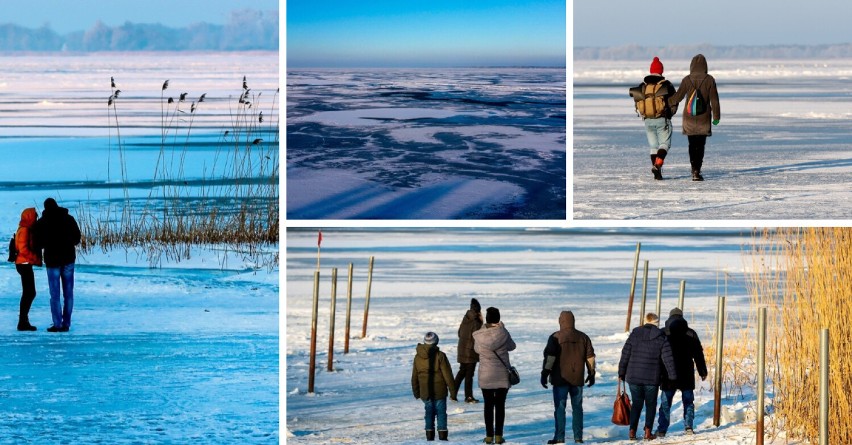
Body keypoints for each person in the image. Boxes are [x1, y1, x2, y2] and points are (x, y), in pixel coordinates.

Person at [618, 312, 678, 440]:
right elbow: (668, 359)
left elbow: (625, 354)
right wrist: (672, 377)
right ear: (656, 322)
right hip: (652, 378)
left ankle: (632, 431)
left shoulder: (634, 335)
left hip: (634, 377)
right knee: (651, 404)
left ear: (645, 321)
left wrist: (621, 372)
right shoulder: (661, 337)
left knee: (636, 404)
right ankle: (647, 432)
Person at [541, 310, 596, 444]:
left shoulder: (556, 337)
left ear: (561, 321)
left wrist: (545, 374)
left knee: (560, 408)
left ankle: (559, 437)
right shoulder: (583, 337)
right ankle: (578, 437)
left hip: (560, 378)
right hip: (577, 378)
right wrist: (591, 373)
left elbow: (550, 358)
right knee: (577, 408)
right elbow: (590, 357)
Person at [655, 308, 708, 437]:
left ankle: (662, 429)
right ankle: (689, 426)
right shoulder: (691, 333)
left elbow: (656, 354)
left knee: (665, 403)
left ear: (669, 318)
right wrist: (702, 371)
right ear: (682, 317)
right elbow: (698, 355)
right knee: (688, 402)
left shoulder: (663, 332)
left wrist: (655, 373)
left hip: (668, 374)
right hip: (687, 373)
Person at [669, 54, 721, 181]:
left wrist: (666, 102)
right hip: (704, 118)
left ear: (692, 66)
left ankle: (694, 169)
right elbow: (714, 100)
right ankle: (698, 169)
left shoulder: (687, 79)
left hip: (689, 118)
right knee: (701, 145)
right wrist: (716, 117)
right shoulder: (710, 80)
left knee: (692, 145)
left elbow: (678, 97)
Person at [33, 198, 81, 333]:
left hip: (52, 261)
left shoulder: (42, 223)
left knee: (54, 295)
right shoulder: (69, 219)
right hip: (68, 259)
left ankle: (57, 324)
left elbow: (37, 243)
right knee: (68, 294)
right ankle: (66, 323)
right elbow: (77, 238)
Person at [629, 56, 679, 180]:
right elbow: (674, 100)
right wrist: (670, 113)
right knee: (664, 144)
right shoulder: (666, 85)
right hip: (662, 119)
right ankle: (657, 165)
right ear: (661, 71)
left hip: (647, 120)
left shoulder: (643, 86)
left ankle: (657, 172)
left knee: (653, 147)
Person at [473, 307, 516, 445]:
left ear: (487, 319)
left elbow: (477, 349)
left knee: (488, 406)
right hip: (502, 374)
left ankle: (489, 436)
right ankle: (498, 436)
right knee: (500, 405)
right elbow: (512, 346)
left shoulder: (479, 335)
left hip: (486, 375)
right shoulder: (503, 332)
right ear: (498, 318)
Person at [411, 331, 456, 441]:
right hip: (439, 390)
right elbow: (448, 375)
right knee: (441, 413)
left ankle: (429, 437)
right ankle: (442, 437)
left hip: (425, 391)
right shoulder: (440, 356)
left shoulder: (417, 357)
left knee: (429, 413)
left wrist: (417, 392)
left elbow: (414, 376)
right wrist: (453, 392)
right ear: (436, 341)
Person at [14, 208, 43, 331]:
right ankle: (22, 321)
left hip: (23, 263)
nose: (36, 219)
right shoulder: (25, 230)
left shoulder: (24, 229)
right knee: (29, 293)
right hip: (24, 263)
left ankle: (23, 320)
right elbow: (23, 249)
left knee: (29, 292)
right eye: (34, 217)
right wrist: (35, 259)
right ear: (30, 217)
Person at [455, 298, 483, 404]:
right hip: (470, 352)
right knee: (469, 375)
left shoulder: (465, 319)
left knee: (462, 372)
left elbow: (459, 333)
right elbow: (478, 337)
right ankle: (469, 396)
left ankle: (453, 393)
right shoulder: (476, 321)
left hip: (462, 350)